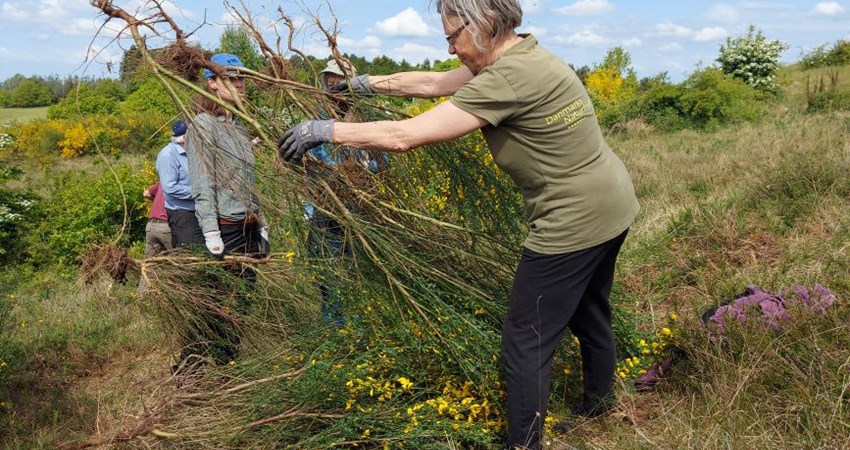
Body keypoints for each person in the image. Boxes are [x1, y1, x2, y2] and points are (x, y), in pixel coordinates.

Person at [277, 1, 640, 449]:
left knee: (525, 342)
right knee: (589, 307)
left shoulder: (505, 79)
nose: (449, 48)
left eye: (453, 36)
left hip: (572, 220)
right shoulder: (522, 56)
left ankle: (524, 444)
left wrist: (326, 131)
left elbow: (404, 137)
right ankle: (601, 404)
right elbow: (431, 84)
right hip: (612, 203)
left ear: (484, 24)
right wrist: (363, 84)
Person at [182, 52, 270, 364]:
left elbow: (248, 179)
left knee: (243, 301)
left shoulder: (239, 126)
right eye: (231, 78)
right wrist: (210, 231)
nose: (240, 84)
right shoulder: (204, 125)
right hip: (226, 228)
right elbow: (202, 181)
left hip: (248, 225)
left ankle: (228, 361)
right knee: (222, 302)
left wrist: (262, 222)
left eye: (241, 77)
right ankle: (196, 365)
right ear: (213, 84)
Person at [305, 60, 389, 324]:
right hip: (328, 211)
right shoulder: (316, 122)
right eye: (329, 83)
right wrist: (340, 172)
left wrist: (364, 168)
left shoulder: (366, 120)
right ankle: (336, 329)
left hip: (361, 210)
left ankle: (360, 327)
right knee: (330, 276)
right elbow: (313, 164)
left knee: (360, 272)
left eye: (339, 84)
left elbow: (381, 161)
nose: (334, 89)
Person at [156, 119, 203, 248]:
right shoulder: (168, 155)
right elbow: (170, 187)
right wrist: (199, 192)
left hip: (197, 210)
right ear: (184, 137)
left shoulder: (192, 153)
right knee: (189, 252)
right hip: (181, 214)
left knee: (201, 251)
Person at [142, 181, 172, 258]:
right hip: (165, 225)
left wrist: (156, 200)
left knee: (149, 261)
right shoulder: (176, 183)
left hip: (150, 226)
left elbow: (146, 193)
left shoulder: (162, 182)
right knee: (175, 256)